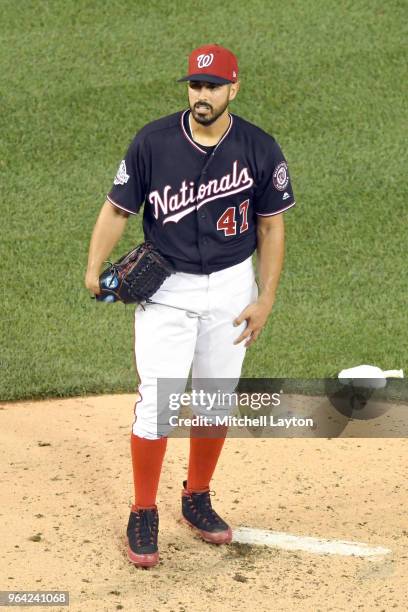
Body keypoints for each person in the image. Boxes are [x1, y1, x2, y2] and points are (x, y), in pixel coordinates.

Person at [85, 43, 295, 568]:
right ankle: (142, 510)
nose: (202, 95)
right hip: (167, 291)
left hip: (231, 289)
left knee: (215, 402)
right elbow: (116, 209)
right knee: (156, 405)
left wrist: (265, 297)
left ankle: (196, 498)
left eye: (213, 86)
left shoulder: (259, 148)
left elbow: (271, 226)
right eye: (195, 86)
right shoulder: (152, 142)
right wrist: (93, 269)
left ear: (233, 89)